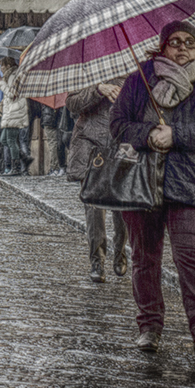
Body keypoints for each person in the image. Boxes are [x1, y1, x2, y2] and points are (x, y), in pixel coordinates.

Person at [110, 22, 195, 354]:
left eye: (189, 43)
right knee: (144, 258)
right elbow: (117, 124)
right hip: (142, 182)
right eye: (175, 42)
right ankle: (149, 327)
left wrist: (175, 135)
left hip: (189, 182)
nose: (182, 48)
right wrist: (149, 133)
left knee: (190, 255)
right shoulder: (139, 80)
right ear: (162, 46)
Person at [67, 80, 128, 283]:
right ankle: (97, 261)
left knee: (123, 204)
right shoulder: (85, 71)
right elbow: (72, 104)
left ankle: (120, 250)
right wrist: (98, 90)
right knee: (94, 206)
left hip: (122, 140)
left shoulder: (134, 69)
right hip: (89, 143)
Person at [0, 59, 31, 175]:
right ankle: (24, 158)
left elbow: (12, 94)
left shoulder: (13, 76)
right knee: (3, 139)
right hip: (10, 113)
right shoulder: (9, 76)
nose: (0, 68)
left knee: (10, 140)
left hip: (15, 113)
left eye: (2, 65)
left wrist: (1, 83)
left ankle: (16, 167)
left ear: (8, 65)